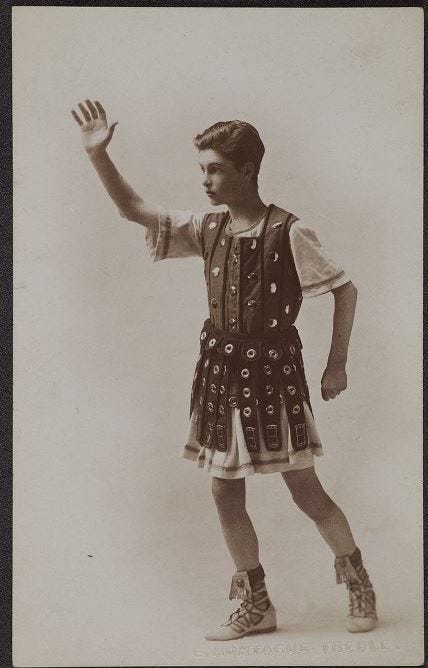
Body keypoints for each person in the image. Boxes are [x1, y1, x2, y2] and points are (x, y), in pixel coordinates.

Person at [71, 99, 378, 641]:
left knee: (304, 488)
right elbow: (134, 209)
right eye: (202, 169)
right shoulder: (206, 227)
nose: (206, 180)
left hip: (274, 375)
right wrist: (99, 157)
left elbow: (345, 290)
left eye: (215, 168)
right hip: (220, 374)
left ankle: (357, 580)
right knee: (222, 490)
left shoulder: (290, 231)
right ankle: (255, 602)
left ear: (247, 170)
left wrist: (337, 364)